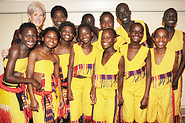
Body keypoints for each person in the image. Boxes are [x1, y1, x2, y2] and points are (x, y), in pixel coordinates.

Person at [0, 22, 42, 123]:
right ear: (20, 36)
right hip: (10, 92)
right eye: (27, 36)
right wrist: (31, 80)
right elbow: (7, 77)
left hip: (20, 89)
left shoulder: (29, 51)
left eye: (33, 36)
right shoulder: (15, 50)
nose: (31, 39)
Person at [27, 27, 64, 123]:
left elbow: (58, 78)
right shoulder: (35, 53)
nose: (52, 40)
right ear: (42, 38)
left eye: (55, 38)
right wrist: (32, 98)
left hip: (52, 96)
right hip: (38, 96)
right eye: (49, 37)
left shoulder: (55, 57)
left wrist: (61, 97)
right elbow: (29, 78)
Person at [90, 28, 125, 123]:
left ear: (115, 40)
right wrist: (93, 89)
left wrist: (120, 96)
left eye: (108, 37)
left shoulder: (119, 57)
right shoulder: (98, 53)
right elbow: (94, 73)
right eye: (103, 37)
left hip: (111, 93)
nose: (104, 40)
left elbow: (121, 79)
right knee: (98, 118)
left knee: (111, 119)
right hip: (98, 92)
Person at [119, 23, 151, 122]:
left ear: (142, 35)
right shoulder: (122, 48)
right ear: (129, 33)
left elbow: (149, 74)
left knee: (140, 117)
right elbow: (119, 74)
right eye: (134, 31)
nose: (136, 34)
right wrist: (120, 94)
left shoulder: (146, 51)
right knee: (127, 116)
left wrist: (146, 95)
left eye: (140, 32)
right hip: (126, 88)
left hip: (140, 89)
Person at [67, 23, 98, 122]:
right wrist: (68, 88)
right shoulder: (75, 47)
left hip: (89, 83)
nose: (84, 36)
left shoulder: (97, 50)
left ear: (92, 34)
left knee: (88, 111)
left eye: (86, 33)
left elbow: (94, 72)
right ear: (78, 37)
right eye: (81, 34)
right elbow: (70, 68)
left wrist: (93, 88)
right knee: (75, 111)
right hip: (75, 82)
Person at [147, 27, 178, 123]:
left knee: (165, 115)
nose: (161, 40)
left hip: (165, 90)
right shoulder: (149, 52)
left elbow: (175, 72)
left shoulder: (173, 54)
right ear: (153, 39)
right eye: (158, 37)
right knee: (150, 115)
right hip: (151, 90)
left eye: (164, 37)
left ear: (168, 39)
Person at [161, 8, 185, 123]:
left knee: (174, 106)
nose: (171, 18)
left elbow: (184, 58)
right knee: (160, 106)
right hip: (159, 78)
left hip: (175, 77)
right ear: (163, 19)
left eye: (174, 16)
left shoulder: (182, 35)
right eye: (168, 16)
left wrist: (176, 78)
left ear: (177, 19)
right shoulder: (157, 35)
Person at [54, 21, 76, 122]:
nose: (67, 33)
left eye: (71, 31)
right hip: (58, 85)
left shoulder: (76, 46)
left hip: (73, 85)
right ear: (59, 32)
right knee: (60, 115)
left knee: (73, 114)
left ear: (74, 35)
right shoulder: (53, 48)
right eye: (65, 31)